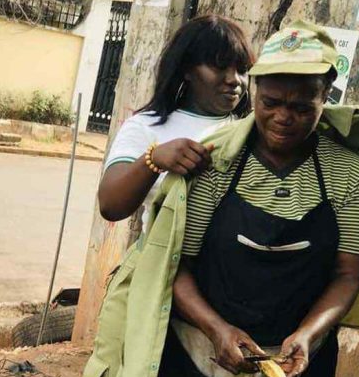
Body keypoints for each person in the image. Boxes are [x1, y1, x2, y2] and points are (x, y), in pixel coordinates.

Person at [84, 21, 359, 377]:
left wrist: (307, 334)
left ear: (327, 96)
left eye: (303, 105)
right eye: (271, 102)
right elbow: (177, 264)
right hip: (200, 356)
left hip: (293, 371)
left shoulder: (351, 173)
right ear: (256, 94)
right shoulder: (215, 160)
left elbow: (348, 273)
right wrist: (216, 327)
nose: (284, 117)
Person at [98, 14, 255, 228]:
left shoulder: (251, 130)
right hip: (164, 260)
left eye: (242, 70)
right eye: (219, 67)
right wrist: (153, 160)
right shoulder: (146, 126)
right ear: (187, 70)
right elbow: (110, 205)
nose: (234, 80)